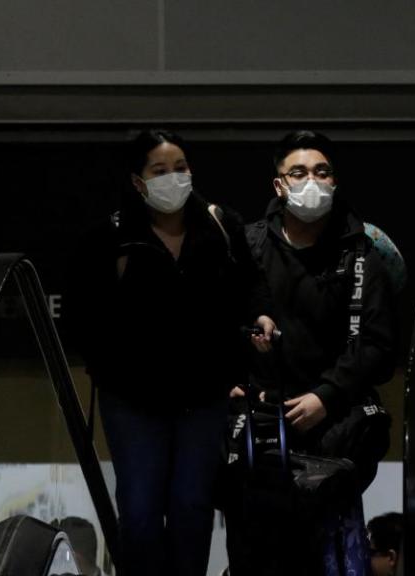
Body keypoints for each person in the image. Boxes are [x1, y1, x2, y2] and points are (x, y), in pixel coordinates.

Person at [70, 129, 275, 576]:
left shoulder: (222, 225)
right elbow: (82, 314)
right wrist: (108, 365)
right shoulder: (110, 237)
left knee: (191, 506)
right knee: (141, 510)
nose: (173, 177)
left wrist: (260, 317)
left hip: (203, 395)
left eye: (180, 167)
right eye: (159, 170)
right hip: (133, 399)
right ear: (138, 182)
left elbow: (251, 284)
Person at [226, 130, 399, 575]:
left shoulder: (363, 252)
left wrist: (327, 396)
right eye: (298, 172)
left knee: (327, 546)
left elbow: (378, 345)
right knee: (257, 545)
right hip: (262, 421)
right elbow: (220, 324)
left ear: (335, 181)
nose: (311, 181)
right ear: (279, 185)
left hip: (333, 420)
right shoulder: (248, 247)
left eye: (322, 172)